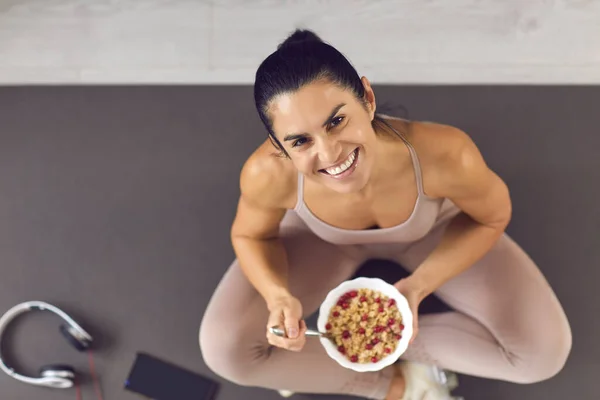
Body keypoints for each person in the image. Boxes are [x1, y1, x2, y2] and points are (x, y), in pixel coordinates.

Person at [199, 29, 572, 400]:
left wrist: (417, 287)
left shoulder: (446, 152)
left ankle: (360, 356)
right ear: (279, 147)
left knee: (543, 355)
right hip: (323, 243)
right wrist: (277, 295)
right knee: (224, 350)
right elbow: (250, 235)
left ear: (368, 98)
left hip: (431, 236)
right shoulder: (265, 173)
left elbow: (491, 217)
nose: (330, 155)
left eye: (336, 122)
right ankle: (400, 387)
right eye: (301, 141)